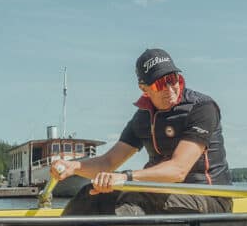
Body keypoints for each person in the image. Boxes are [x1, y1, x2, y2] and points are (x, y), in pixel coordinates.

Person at [54, 48, 233, 216]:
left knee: (136, 197)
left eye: (172, 79)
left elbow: (178, 170)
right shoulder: (143, 117)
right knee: (91, 193)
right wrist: (74, 167)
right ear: (144, 89)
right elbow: (109, 162)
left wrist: (126, 177)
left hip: (209, 199)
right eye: (160, 84)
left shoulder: (201, 108)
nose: (170, 89)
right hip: (161, 194)